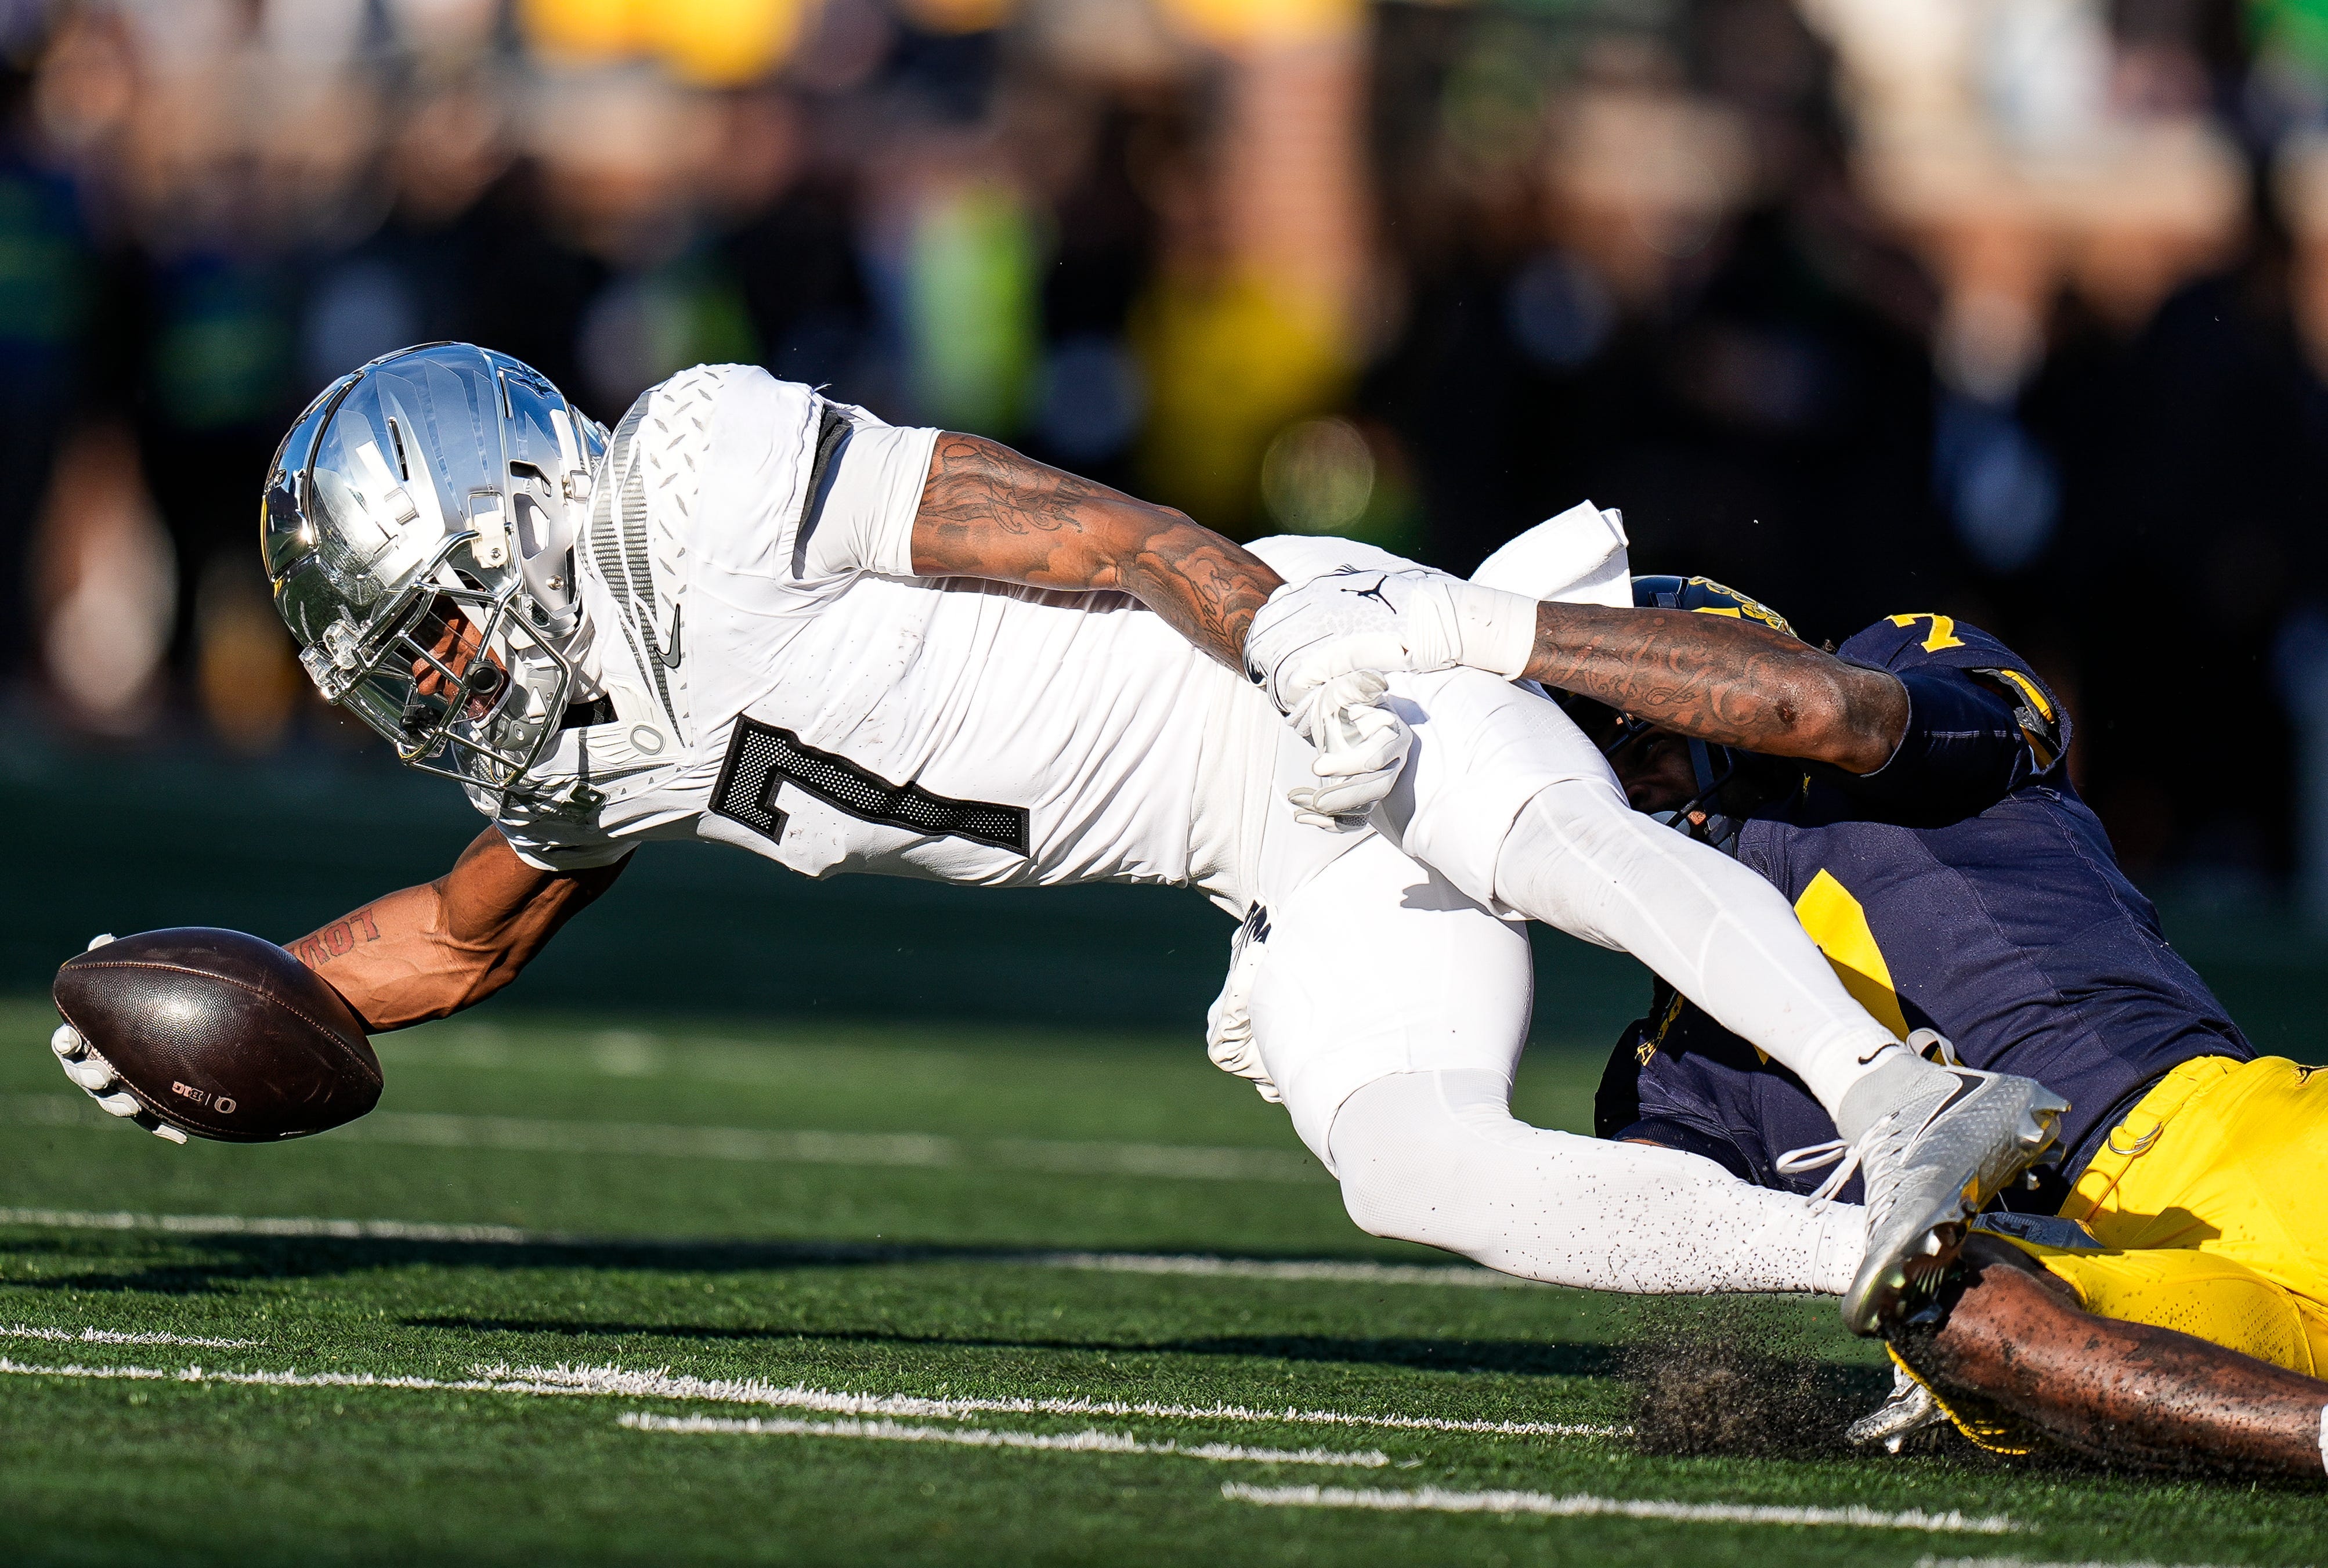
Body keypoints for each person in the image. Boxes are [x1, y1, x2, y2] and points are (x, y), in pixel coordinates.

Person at [45, 343, 2059, 1336]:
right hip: (1269, 873)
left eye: (441, 628)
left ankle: (1893, 1092)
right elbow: (456, 939)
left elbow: (1092, 527)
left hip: (1295, 663)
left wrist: (1288, 637)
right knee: (1408, 1170)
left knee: (1531, 830)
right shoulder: (591, 742)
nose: (447, 681)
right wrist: (230, 1007)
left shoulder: (698, 477)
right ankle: (1884, 1272)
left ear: (508, 519)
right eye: (412, 664)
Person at [1478, 567, 2327, 1472]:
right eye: (1596, 786)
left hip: (2219, 1144)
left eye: (1644, 752)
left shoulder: (1897, 672)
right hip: (2077, 1293)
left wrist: (1481, 626)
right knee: (1935, 1311)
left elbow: (1824, 710)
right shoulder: (1671, 1064)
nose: (1632, 799)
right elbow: (1628, 1215)